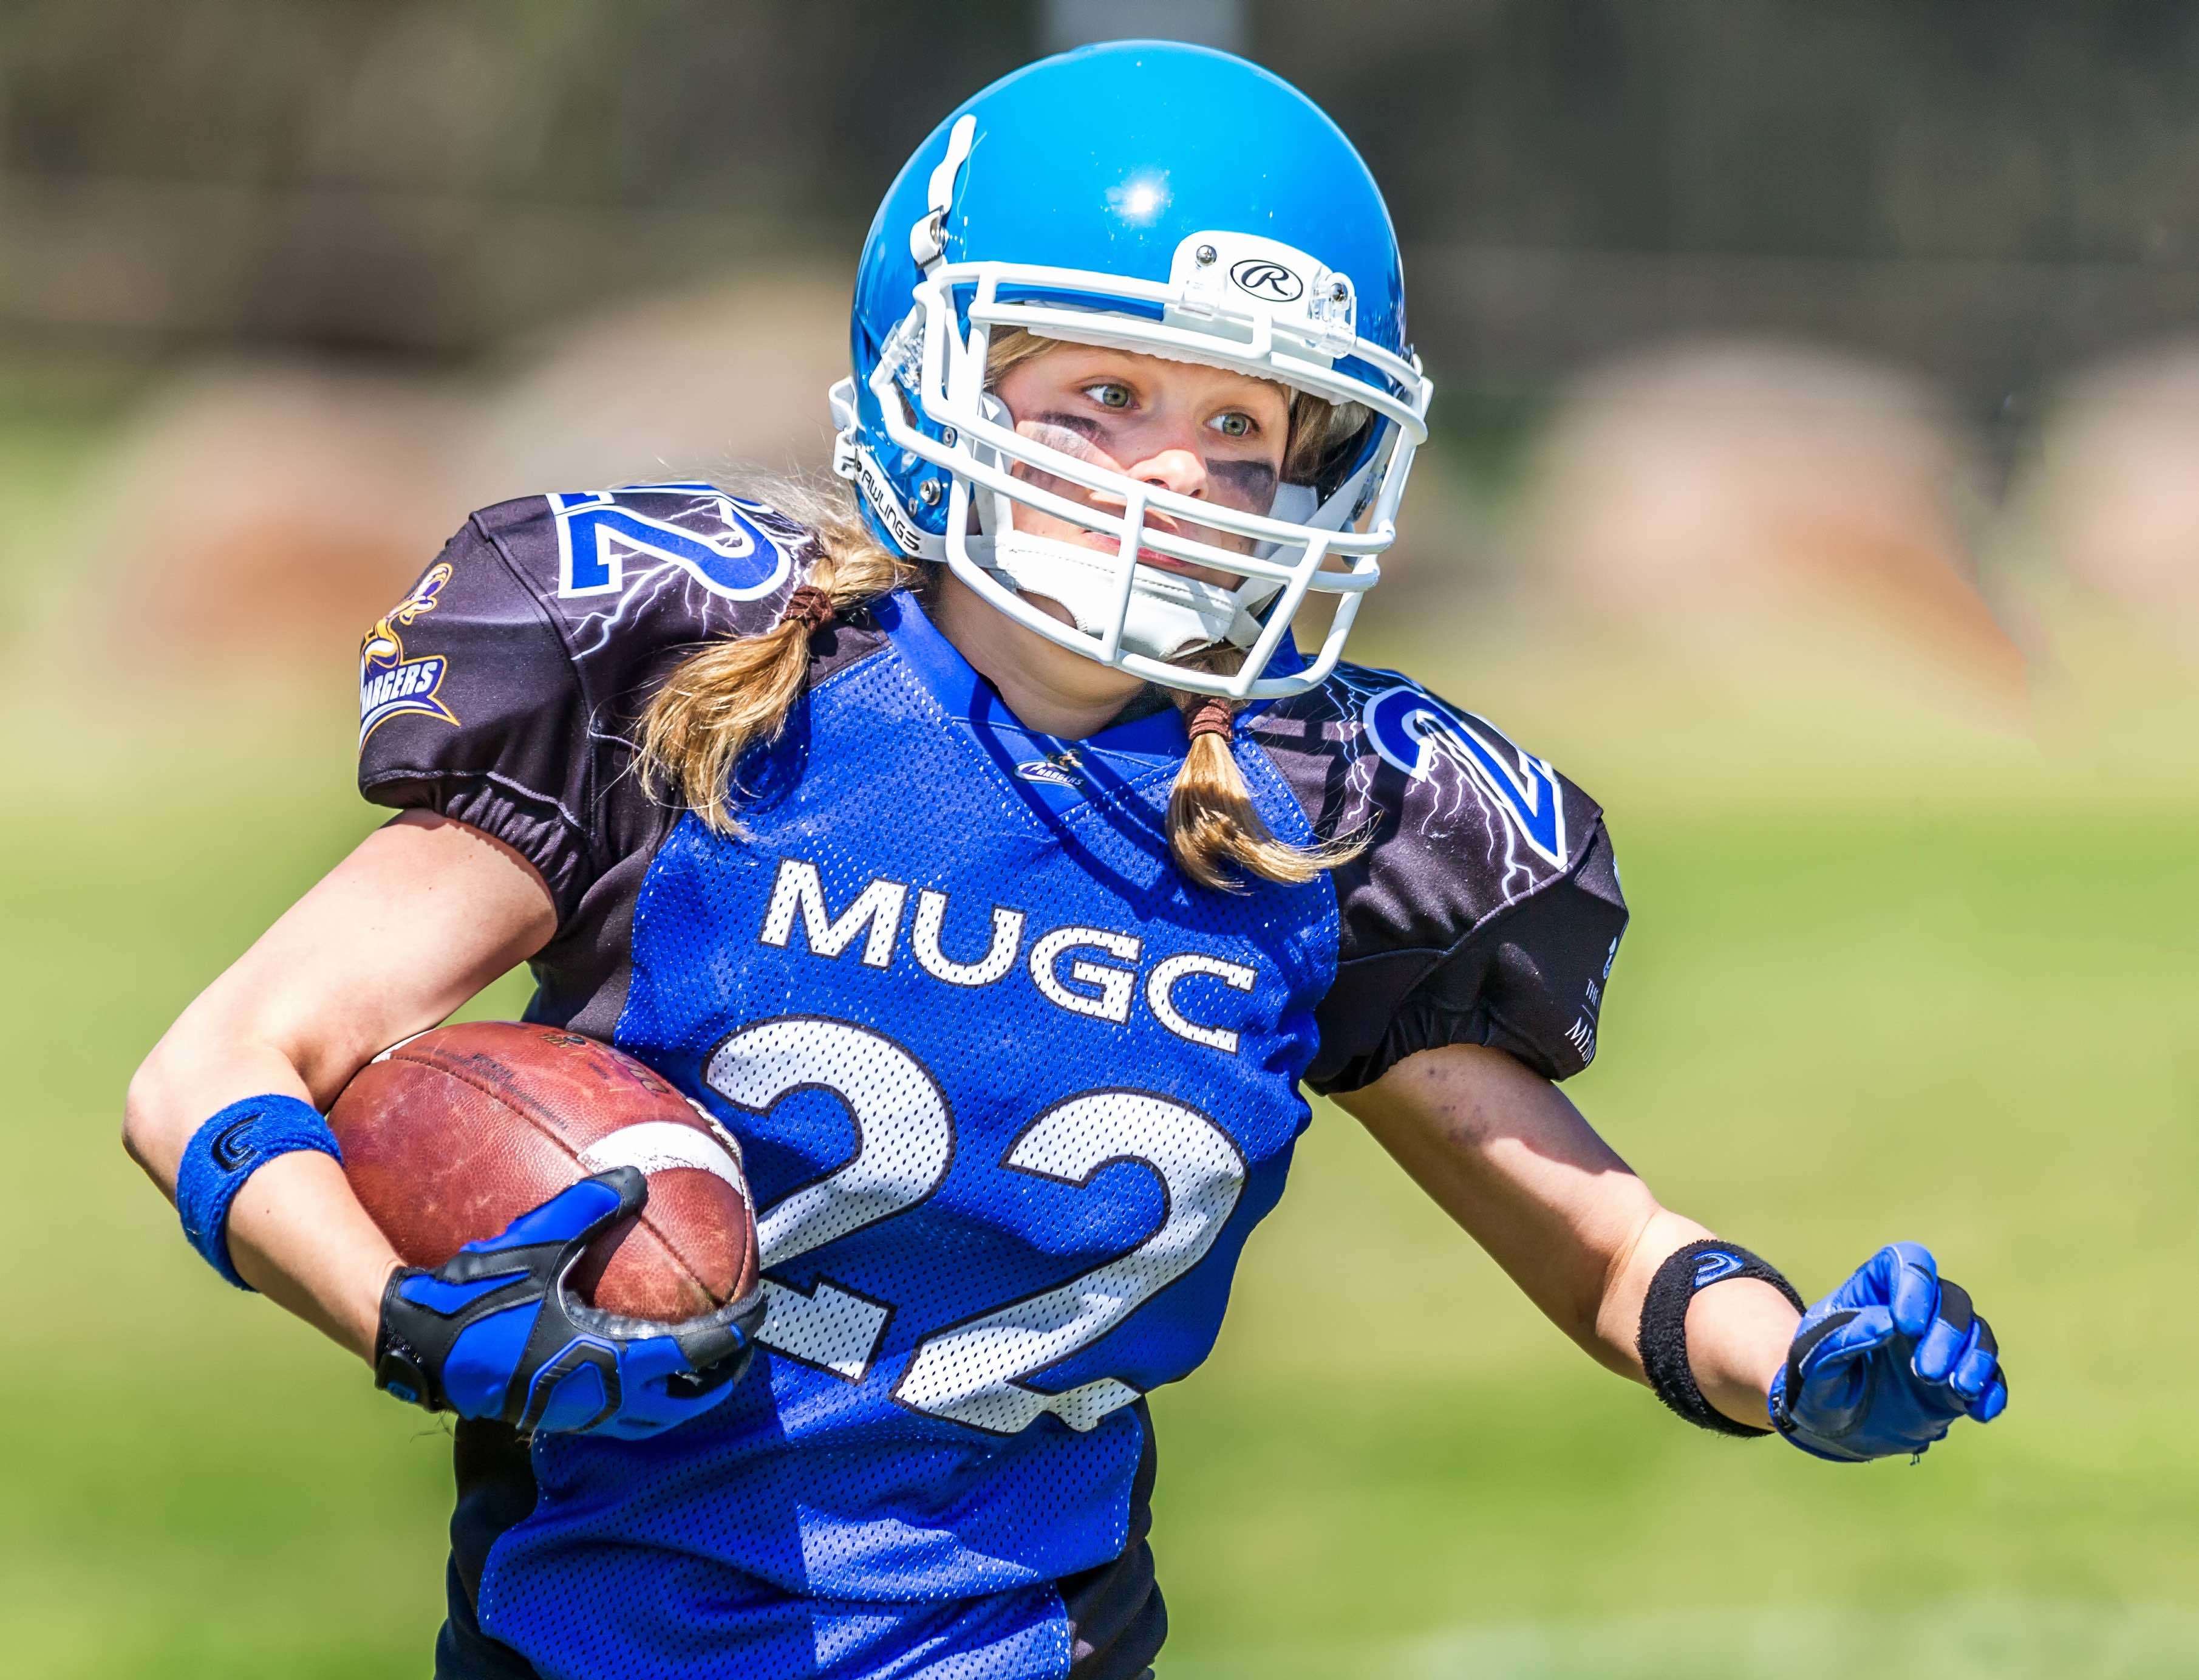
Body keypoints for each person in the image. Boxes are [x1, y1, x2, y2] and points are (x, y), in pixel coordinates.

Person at [123, 41, 2008, 1680]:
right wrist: (406, 1321)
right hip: (594, 1636)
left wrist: (1802, 1360)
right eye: (1104, 394)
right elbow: (214, 1071)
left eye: (1240, 425)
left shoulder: (1328, 821)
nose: (1176, 473)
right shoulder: (705, 688)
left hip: (1026, 1644)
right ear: (938, 372)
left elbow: (1607, 1247)